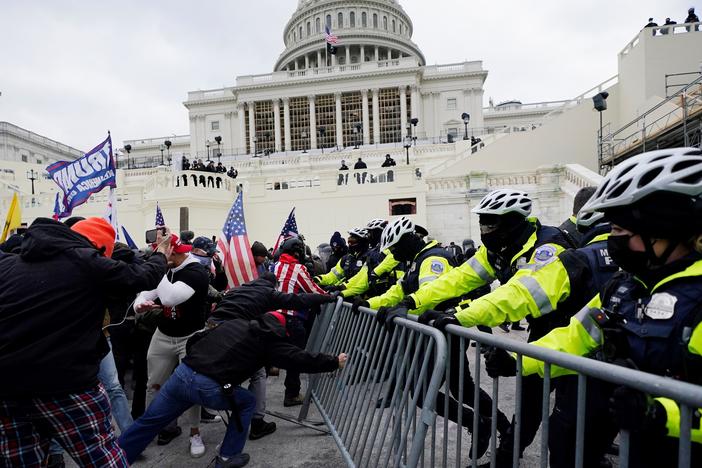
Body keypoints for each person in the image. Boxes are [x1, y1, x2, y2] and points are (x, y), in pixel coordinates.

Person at [499, 148, 702, 467]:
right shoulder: (625, 287)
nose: (611, 241)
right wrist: (516, 360)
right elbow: (575, 336)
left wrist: (662, 414)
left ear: (663, 229)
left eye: (620, 231)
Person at [429, 210, 617, 467]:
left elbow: (522, 294)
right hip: (553, 335)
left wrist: (461, 315)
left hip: (570, 342)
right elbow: (458, 279)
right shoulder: (498, 251)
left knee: (570, 427)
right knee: (536, 409)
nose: (485, 231)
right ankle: (506, 458)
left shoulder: (552, 248)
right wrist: (415, 300)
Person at [0, 217, 170, 467]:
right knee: (102, 458)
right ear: (99, 250)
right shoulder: (86, 263)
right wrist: (162, 252)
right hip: (67, 386)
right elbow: (144, 276)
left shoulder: (9, 264)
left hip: (7, 388)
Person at [118, 311, 347, 468]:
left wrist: (200, 360)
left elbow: (196, 339)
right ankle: (227, 456)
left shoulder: (235, 323)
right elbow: (300, 359)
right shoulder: (270, 343)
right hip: (208, 387)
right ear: (280, 331)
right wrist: (333, 361)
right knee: (247, 401)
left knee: (151, 420)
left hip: (182, 375)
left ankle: (120, 455)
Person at [359, 217, 507, 457]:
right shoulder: (416, 262)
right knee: (462, 390)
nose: (394, 255)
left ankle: (481, 424)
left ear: (408, 240)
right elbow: (398, 292)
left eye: (396, 248)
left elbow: (431, 297)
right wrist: (369, 303)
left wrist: (406, 310)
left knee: (425, 392)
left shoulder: (433, 259)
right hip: (436, 336)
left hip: (443, 335)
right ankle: (500, 427)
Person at [134, 233, 210, 457]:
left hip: (190, 336)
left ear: (173, 255)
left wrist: (158, 267)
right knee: (153, 385)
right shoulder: (166, 269)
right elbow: (146, 292)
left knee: (191, 387)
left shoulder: (196, 272)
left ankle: (195, 432)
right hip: (164, 334)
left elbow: (168, 298)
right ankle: (150, 431)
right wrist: (141, 304)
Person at [273, 237, 330, 407]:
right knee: (295, 358)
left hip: (273, 317)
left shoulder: (275, 266)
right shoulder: (298, 268)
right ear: (297, 252)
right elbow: (312, 289)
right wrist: (329, 296)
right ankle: (292, 394)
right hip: (292, 319)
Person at [341, 218, 402, 300]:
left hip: (392, 296)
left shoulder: (391, 250)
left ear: (379, 233)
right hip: (377, 297)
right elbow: (362, 277)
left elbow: (387, 267)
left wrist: (375, 273)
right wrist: (342, 289)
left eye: (371, 233)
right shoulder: (373, 252)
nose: (368, 236)